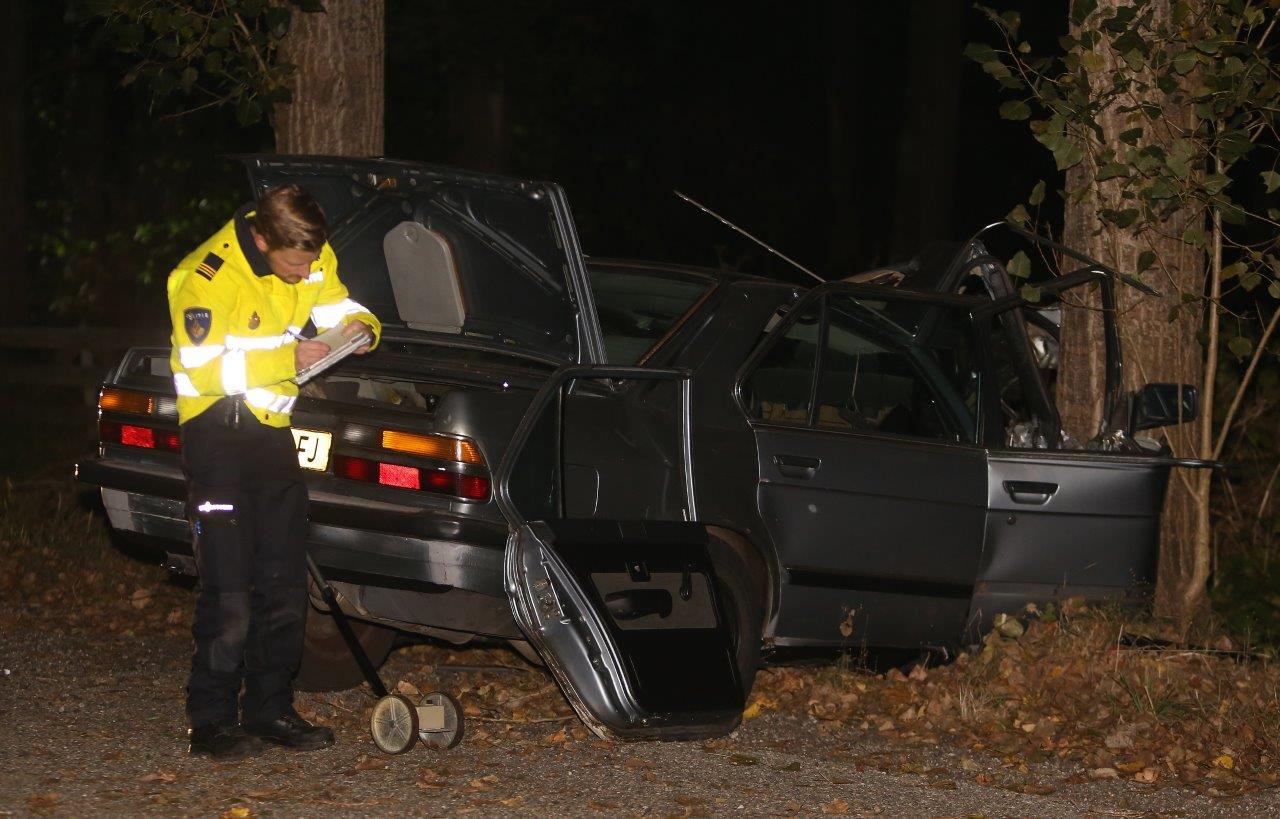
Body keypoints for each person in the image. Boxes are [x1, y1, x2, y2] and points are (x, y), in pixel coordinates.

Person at [167, 184, 381, 760]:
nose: (307, 270)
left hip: (270, 433)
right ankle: (210, 720)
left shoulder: (312, 251)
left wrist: (363, 329)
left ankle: (270, 709)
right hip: (216, 433)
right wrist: (287, 360)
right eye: (296, 263)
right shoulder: (206, 277)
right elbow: (202, 369)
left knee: (285, 582)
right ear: (262, 241)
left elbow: (339, 306)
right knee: (230, 586)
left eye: (313, 259)